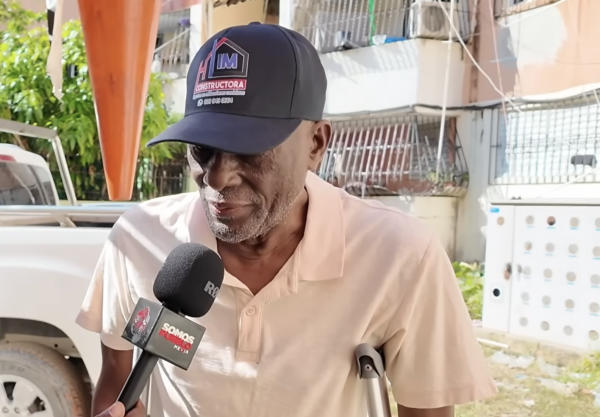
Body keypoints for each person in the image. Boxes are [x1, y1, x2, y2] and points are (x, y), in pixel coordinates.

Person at [76, 22, 497, 417]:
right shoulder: (138, 239)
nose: (217, 178)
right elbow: (116, 376)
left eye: (248, 149)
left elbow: (426, 406)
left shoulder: (402, 255)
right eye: (201, 149)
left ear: (316, 144)